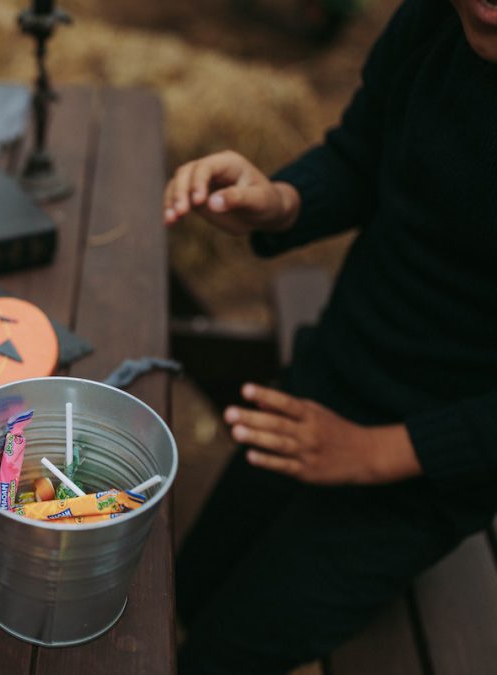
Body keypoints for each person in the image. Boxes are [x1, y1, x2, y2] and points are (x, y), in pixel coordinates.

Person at [163, 0, 497, 672]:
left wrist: (375, 452)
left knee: (220, 655)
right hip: (337, 369)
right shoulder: (434, 20)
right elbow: (361, 153)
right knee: (188, 587)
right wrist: (281, 201)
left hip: (441, 460)